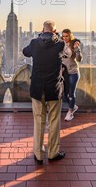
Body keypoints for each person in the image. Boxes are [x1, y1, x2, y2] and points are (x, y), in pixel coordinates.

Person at [22, 21, 67, 164]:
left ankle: (39, 154)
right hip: (54, 88)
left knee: (38, 120)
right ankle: (53, 153)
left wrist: (38, 39)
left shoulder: (35, 43)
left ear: (42, 30)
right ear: (55, 31)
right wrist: (57, 37)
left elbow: (25, 51)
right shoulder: (60, 43)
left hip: (37, 88)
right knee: (54, 121)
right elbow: (66, 55)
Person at [61, 29, 82, 122]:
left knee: (71, 93)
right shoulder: (61, 44)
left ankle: (70, 112)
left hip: (73, 72)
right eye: (63, 36)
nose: (65, 38)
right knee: (65, 94)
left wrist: (77, 49)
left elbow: (79, 59)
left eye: (67, 36)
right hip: (64, 73)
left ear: (70, 36)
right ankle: (73, 106)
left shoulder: (74, 44)